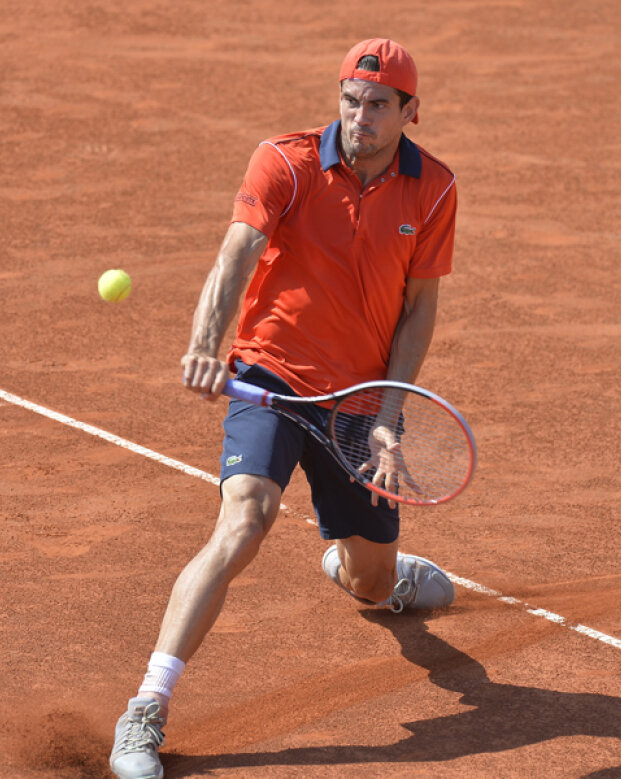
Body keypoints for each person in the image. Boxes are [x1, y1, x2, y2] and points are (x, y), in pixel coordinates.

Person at [109, 38, 459, 779]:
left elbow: (419, 309)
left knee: (366, 582)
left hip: (355, 402)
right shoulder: (287, 161)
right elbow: (236, 252)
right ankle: (146, 706)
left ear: (410, 112)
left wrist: (390, 414)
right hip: (271, 377)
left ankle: (379, 575)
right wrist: (207, 344)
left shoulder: (434, 188)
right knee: (246, 518)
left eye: (377, 105)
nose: (359, 116)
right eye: (349, 99)